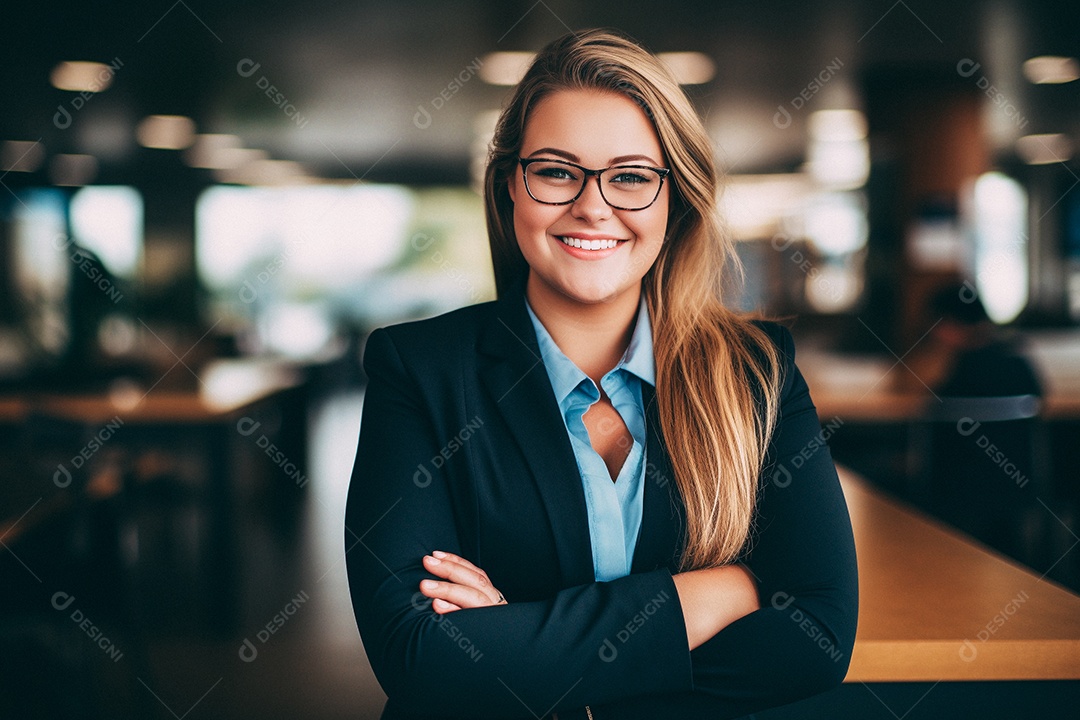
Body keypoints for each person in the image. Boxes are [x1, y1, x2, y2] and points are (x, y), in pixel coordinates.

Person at [345, 29, 858, 720]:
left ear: (675, 198)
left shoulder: (756, 371)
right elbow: (418, 657)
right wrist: (715, 592)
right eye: (557, 171)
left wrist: (518, 645)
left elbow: (817, 637)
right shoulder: (419, 369)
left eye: (631, 177)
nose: (592, 206)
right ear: (511, 187)